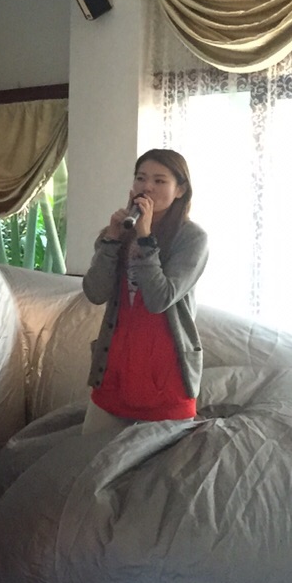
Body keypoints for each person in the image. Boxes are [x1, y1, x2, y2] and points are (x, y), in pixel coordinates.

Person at [81, 149, 208, 435]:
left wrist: (146, 238)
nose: (147, 187)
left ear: (180, 190)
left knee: (162, 464)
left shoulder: (193, 238)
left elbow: (159, 299)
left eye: (160, 181)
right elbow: (95, 293)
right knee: (92, 456)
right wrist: (112, 240)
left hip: (167, 378)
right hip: (114, 372)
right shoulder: (118, 233)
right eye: (141, 178)